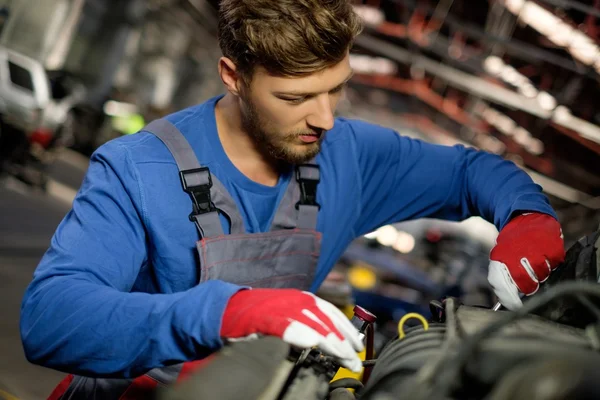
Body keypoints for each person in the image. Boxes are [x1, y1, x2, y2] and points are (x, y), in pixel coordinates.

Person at [21, 0, 565, 397]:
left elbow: (471, 171)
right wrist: (228, 312)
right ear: (234, 76)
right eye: (295, 97)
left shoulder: (349, 156)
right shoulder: (138, 168)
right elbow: (52, 319)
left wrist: (526, 214)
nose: (325, 118)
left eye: (337, 87)